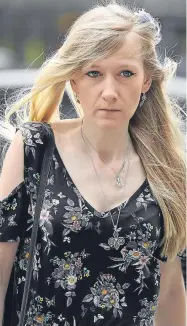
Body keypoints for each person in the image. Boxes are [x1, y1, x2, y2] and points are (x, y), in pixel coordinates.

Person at [0, 1, 186, 326]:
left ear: (145, 81)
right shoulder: (35, 148)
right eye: (94, 73)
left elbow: (169, 290)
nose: (110, 91)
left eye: (126, 73)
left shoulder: (167, 167)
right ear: (74, 80)